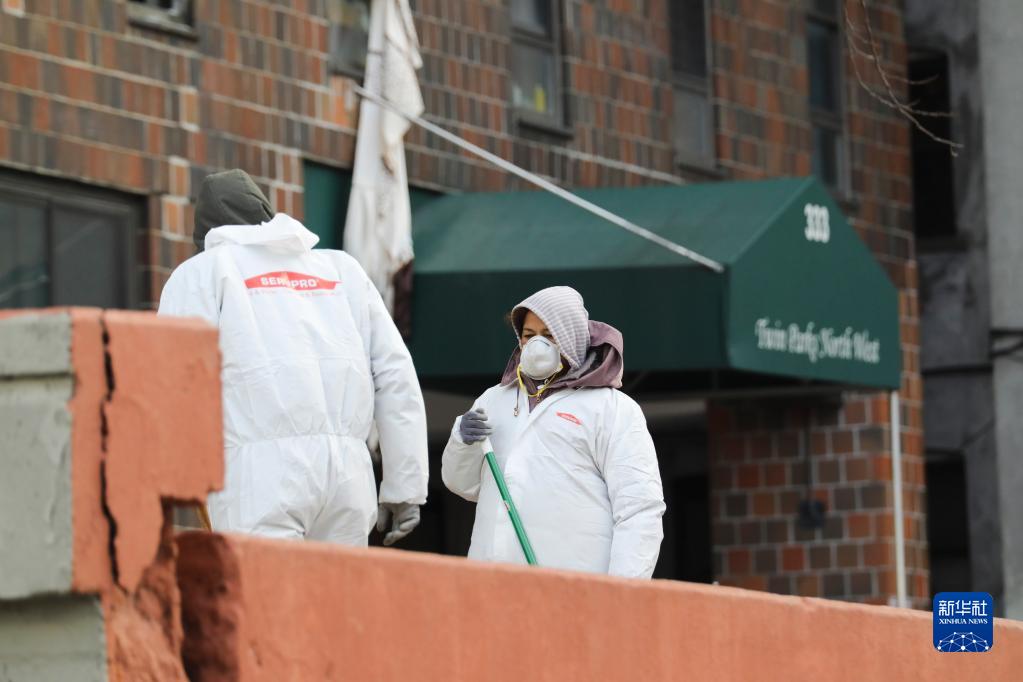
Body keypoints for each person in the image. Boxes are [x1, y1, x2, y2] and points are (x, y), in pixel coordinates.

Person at [159, 169, 428, 546]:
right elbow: (395, 374)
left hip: (257, 479)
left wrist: (175, 476)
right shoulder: (341, 270)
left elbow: (176, 377)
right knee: (339, 586)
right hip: (348, 478)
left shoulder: (203, 272)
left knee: (263, 585)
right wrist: (405, 486)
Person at [441, 286, 664, 578]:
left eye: (549, 334)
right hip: (492, 581)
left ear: (572, 337)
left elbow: (639, 509)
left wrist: (622, 592)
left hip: (575, 586)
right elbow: (463, 485)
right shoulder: (493, 400)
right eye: (528, 335)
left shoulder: (612, 409)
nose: (536, 344)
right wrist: (461, 442)